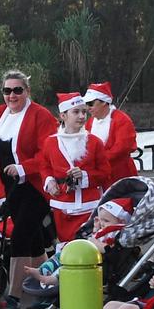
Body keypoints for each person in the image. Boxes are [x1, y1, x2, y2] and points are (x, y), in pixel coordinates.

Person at [0, 70, 57, 309]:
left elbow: (50, 153)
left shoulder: (41, 115)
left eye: (18, 90)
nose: (12, 95)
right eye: (7, 90)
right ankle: (52, 290)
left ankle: (13, 298)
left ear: (27, 92)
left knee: (19, 238)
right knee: (35, 241)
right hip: (9, 187)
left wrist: (24, 167)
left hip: (36, 187)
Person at [36, 92, 111, 242]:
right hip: (62, 206)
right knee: (66, 247)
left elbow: (106, 173)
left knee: (87, 248)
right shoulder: (50, 142)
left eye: (84, 111)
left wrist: (84, 176)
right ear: (63, 116)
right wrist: (49, 182)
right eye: (76, 112)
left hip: (89, 207)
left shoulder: (94, 142)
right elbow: (44, 166)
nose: (82, 116)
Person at [83, 82, 139, 182]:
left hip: (121, 174)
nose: (88, 108)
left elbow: (121, 148)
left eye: (90, 104)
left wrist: (97, 159)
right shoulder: (90, 122)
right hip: (99, 174)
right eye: (86, 104)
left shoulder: (122, 120)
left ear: (104, 102)